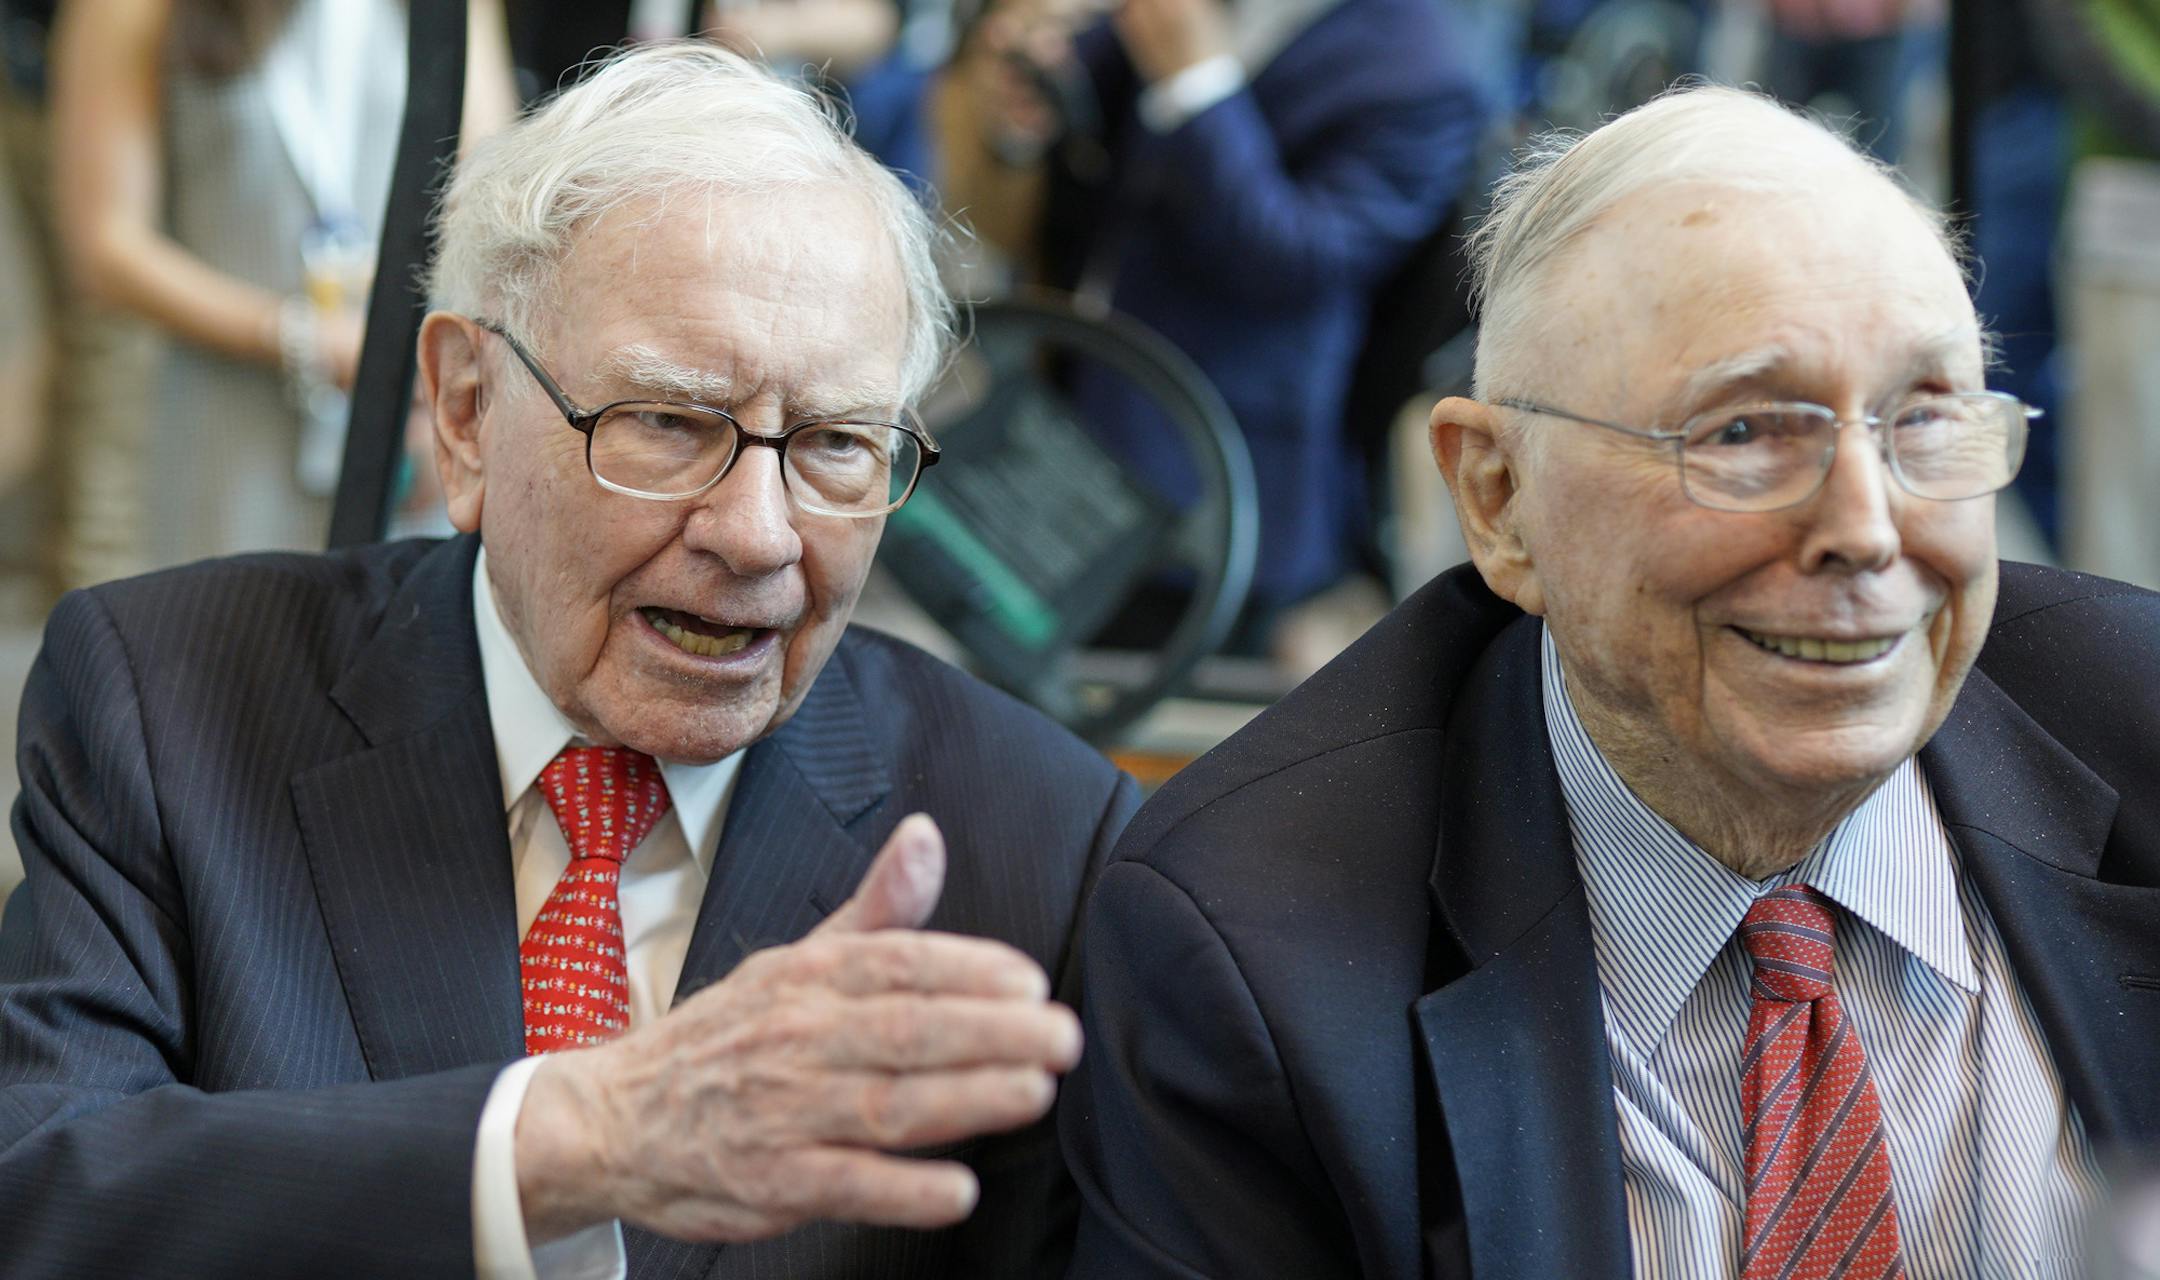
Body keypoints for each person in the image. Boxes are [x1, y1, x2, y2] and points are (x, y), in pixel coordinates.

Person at [2, 42, 1138, 1279]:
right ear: (467, 410)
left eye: (835, 443)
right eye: (669, 421)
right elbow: (42, 1199)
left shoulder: (1043, 839)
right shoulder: (167, 698)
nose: (759, 534)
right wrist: (566, 1144)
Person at [1062, 85, 2160, 1278]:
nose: (1866, 527)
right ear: (1499, 499)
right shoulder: (1256, 949)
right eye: (1744, 433)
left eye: (1927, 417)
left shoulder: (2139, 726)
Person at [944, 0, 1483, 649]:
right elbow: (1097, 118)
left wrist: (1196, 84)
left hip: (1218, 475)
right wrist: (1041, 77)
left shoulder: (1424, 75)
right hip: (1071, 414)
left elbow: (1294, 265)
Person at [47, 0, 515, 567]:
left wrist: (436, 380)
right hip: (229, 411)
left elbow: (485, 195)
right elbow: (106, 248)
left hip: (411, 397)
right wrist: (303, 337)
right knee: (231, 608)